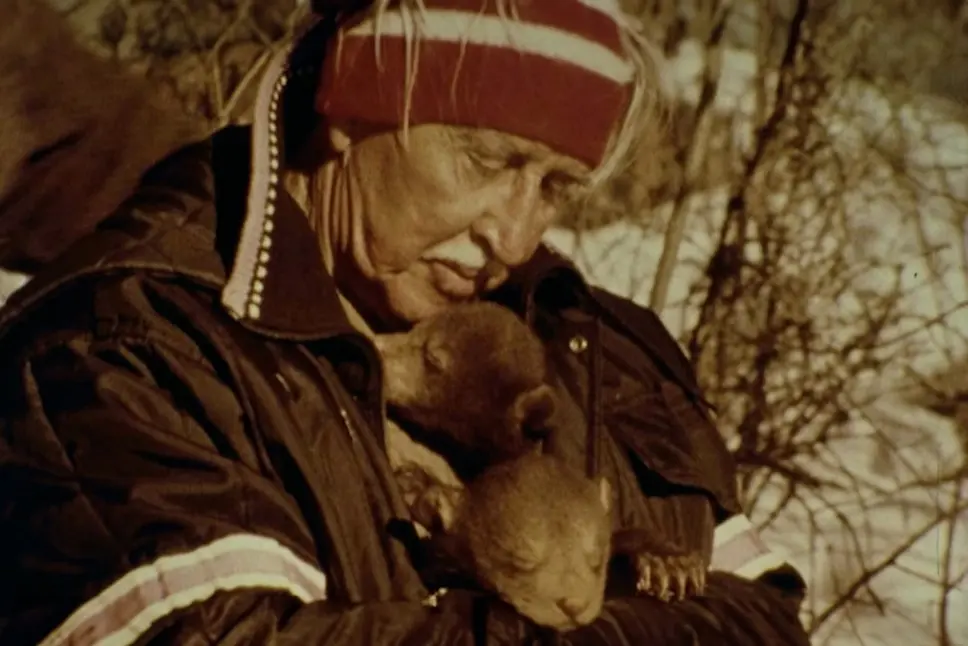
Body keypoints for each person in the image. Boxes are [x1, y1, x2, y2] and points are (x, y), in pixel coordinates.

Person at [0, 0, 811, 644]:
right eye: (485, 160)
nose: (516, 237)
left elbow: (766, 617)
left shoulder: (603, 348)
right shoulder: (125, 349)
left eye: (555, 187)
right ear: (350, 106)